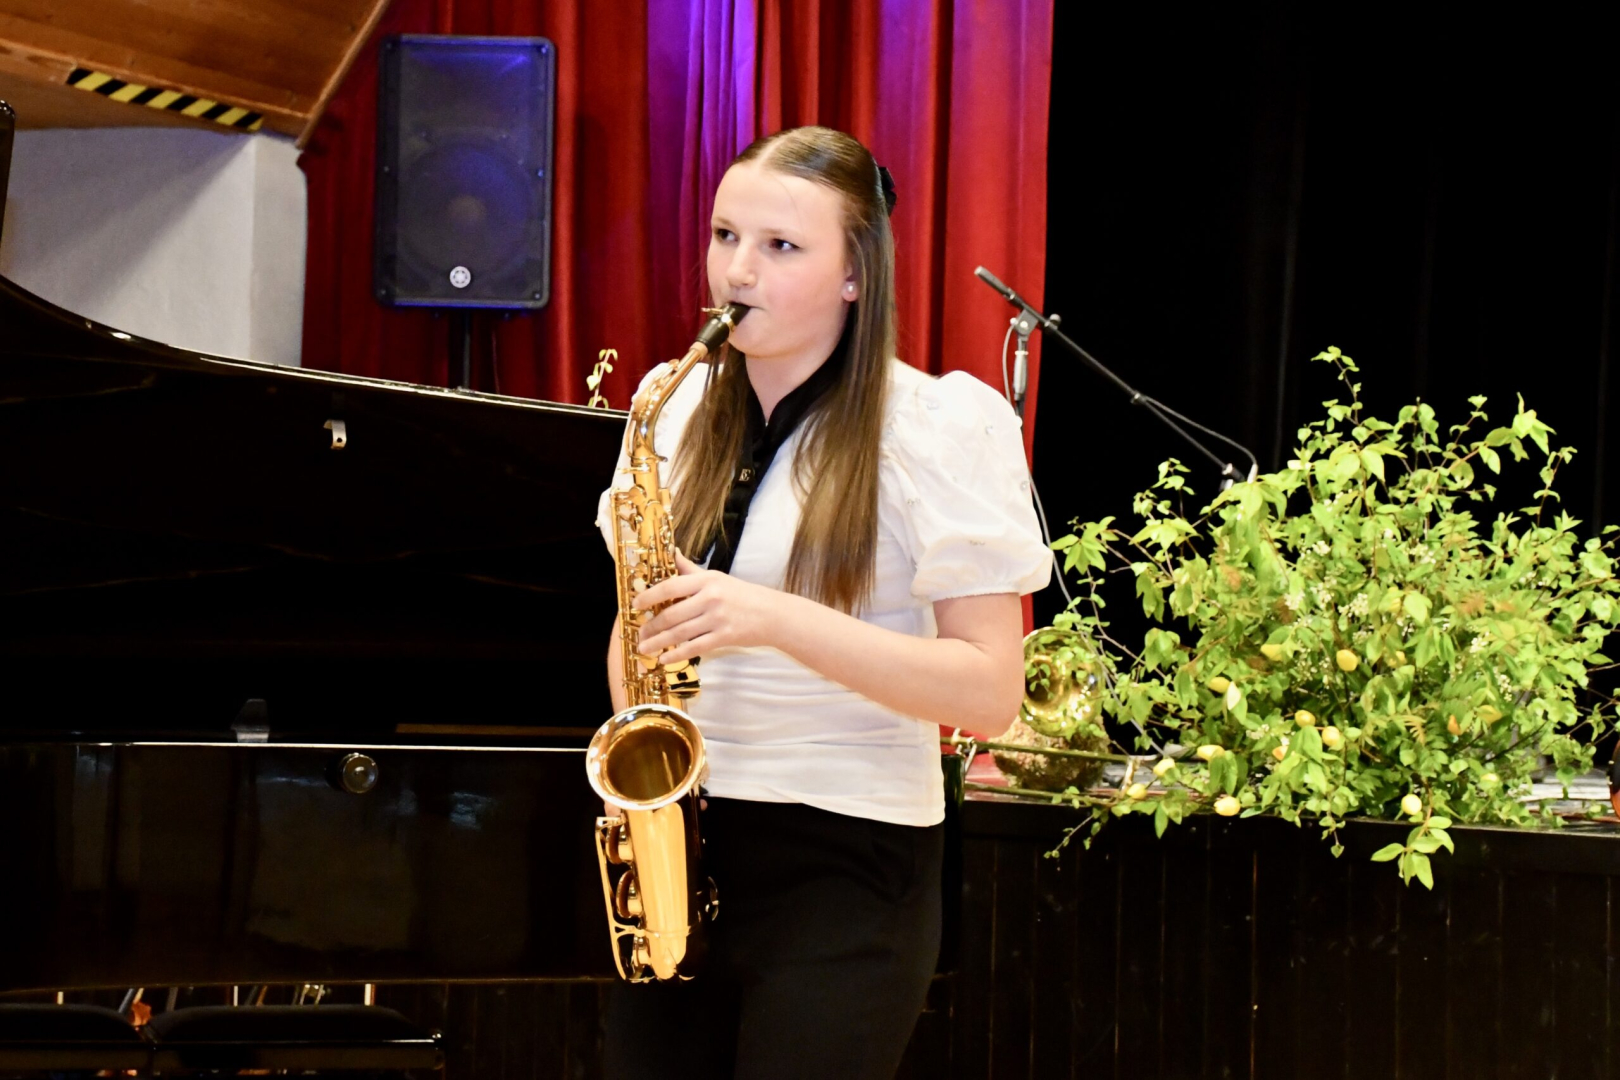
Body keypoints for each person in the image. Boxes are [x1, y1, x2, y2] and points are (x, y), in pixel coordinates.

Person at [594, 125, 1049, 1080]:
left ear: (854, 275)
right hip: (682, 845)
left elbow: (988, 692)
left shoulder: (934, 426)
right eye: (725, 236)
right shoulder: (671, 410)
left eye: (781, 246)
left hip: (851, 863)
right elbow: (635, 629)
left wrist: (773, 619)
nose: (737, 271)